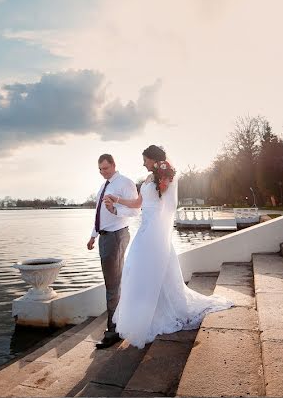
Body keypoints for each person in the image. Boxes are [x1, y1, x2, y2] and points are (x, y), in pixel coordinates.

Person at [104, 145, 232, 348]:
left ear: (154, 160)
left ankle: (154, 315)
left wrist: (159, 231)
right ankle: (149, 312)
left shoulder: (166, 177)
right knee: (138, 269)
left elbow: (168, 206)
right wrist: (117, 200)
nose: (143, 163)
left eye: (145, 159)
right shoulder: (147, 180)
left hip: (156, 230)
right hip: (145, 228)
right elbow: (138, 203)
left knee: (147, 268)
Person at [86, 153, 140, 349]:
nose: (102, 172)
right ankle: (118, 324)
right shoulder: (104, 185)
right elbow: (99, 214)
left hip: (117, 236)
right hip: (104, 237)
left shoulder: (125, 183)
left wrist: (116, 211)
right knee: (113, 283)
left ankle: (113, 330)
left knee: (113, 285)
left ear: (114, 165)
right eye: (100, 169)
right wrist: (93, 235)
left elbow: (136, 210)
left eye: (106, 168)